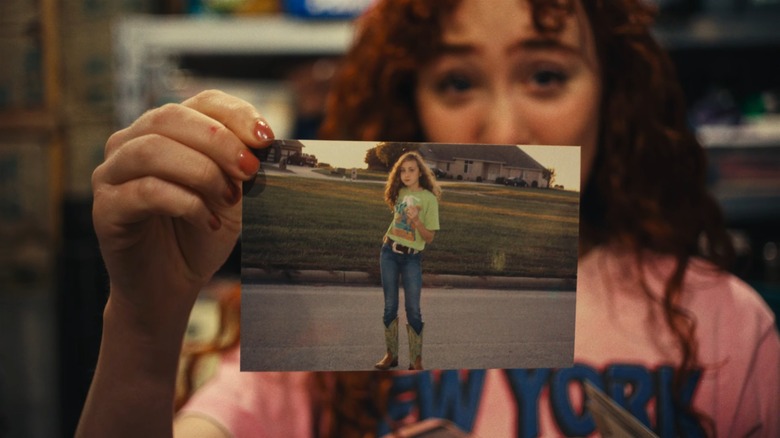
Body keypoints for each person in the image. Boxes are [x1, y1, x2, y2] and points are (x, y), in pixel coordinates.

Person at [78, 0, 780, 437]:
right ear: (409, 98)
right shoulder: (335, 308)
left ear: (612, 95)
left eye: (545, 74)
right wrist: (144, 320)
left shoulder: (723, 322)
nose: (502, 124)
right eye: (457, 81)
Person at [375, 151, 441, 371]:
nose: (406, 174)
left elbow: (429, 237)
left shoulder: (429, 199)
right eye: (402, 170)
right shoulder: (400, 192)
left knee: (413, 309)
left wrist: (416, 221)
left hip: (412, 259)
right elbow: (396, 221)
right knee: (389, 307)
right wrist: (387, 236)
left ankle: (416, 360)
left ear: (420, 172)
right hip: (389, 254)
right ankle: (391, 355)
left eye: (411, 170)